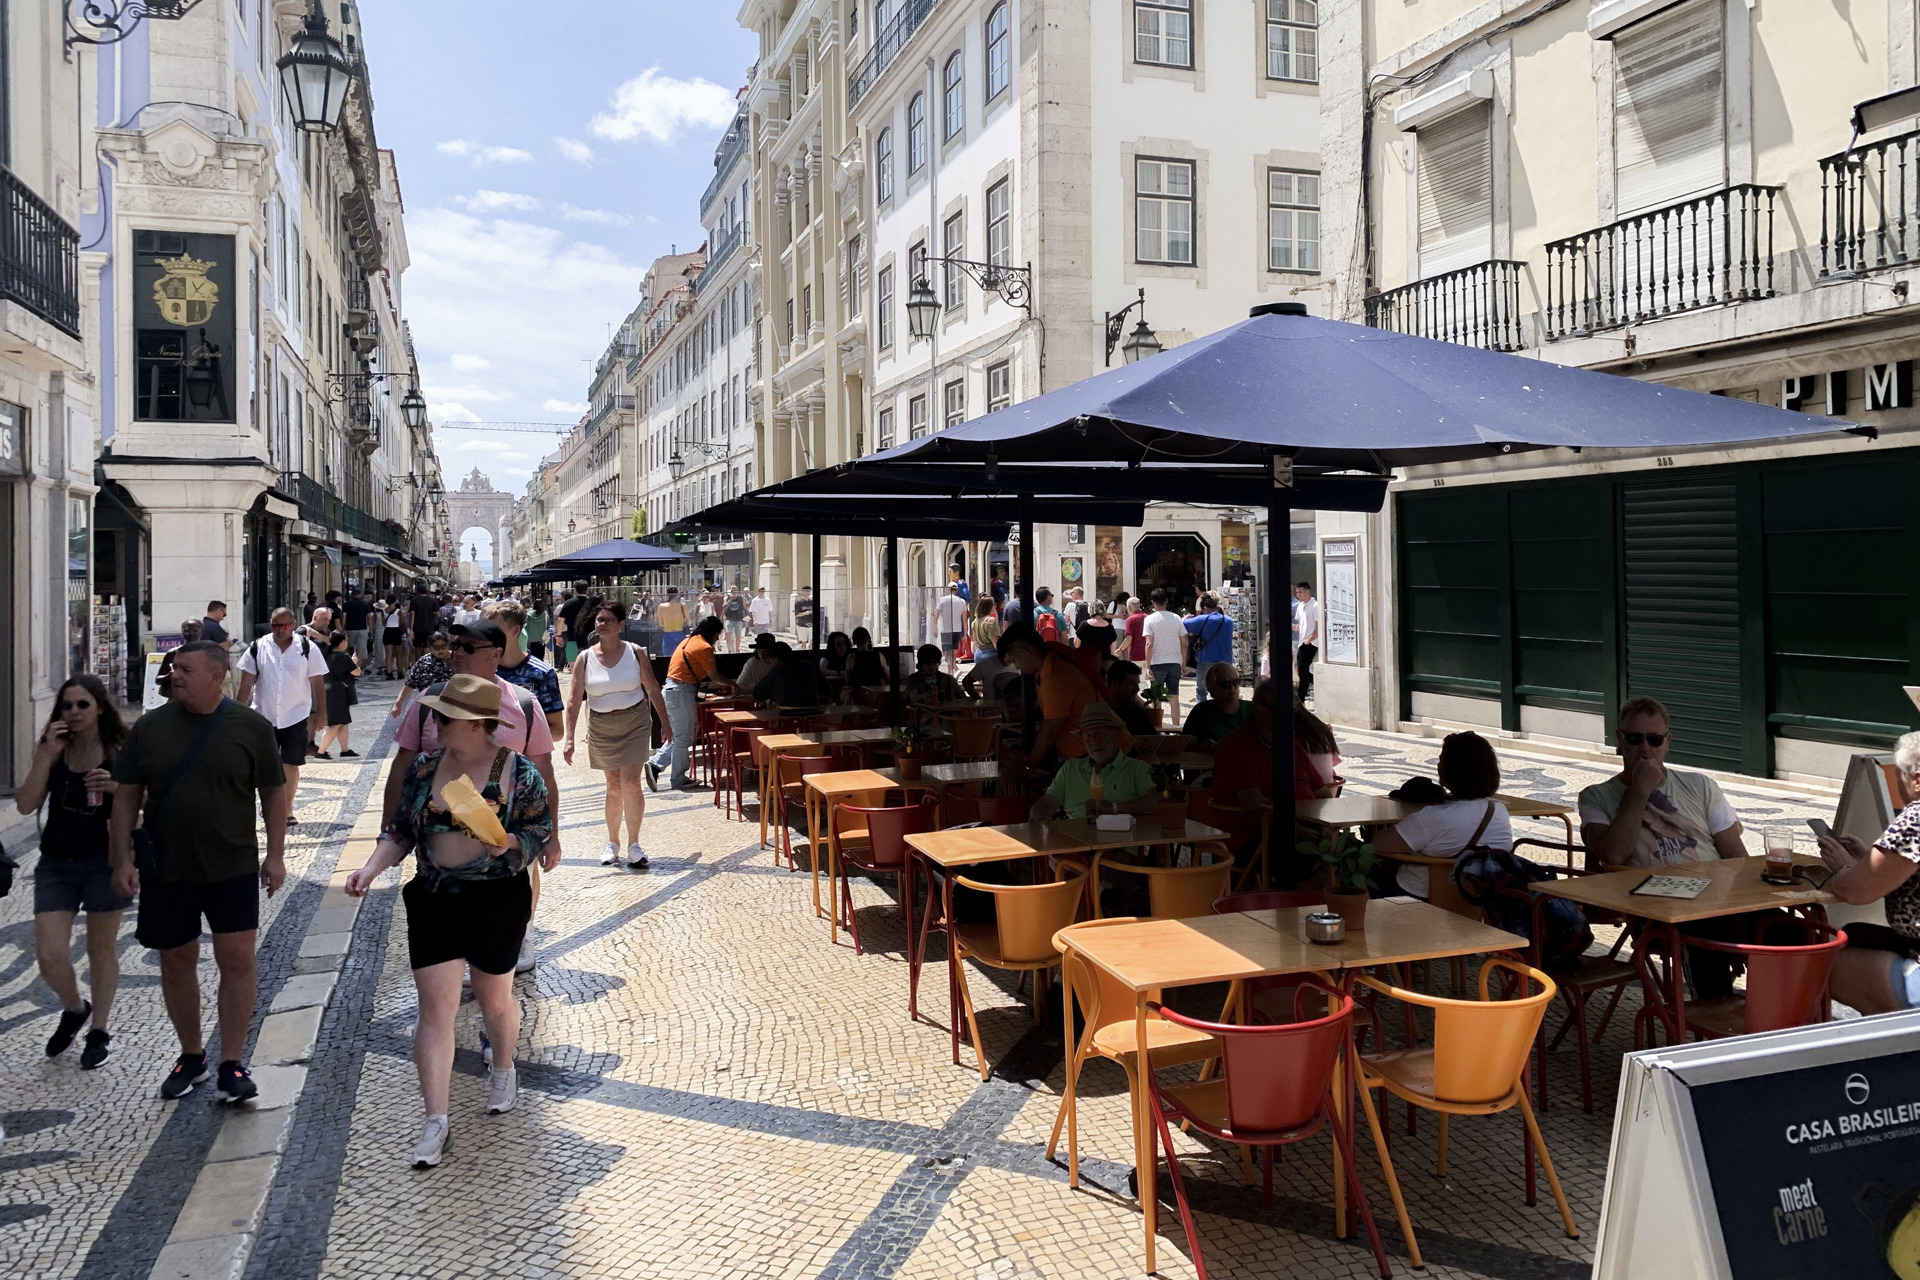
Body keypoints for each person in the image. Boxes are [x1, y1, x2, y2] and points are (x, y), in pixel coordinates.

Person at [344, 676, 558, 1168]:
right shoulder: (424, 767)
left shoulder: (516, 771)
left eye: (446, 717)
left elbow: (538, 827)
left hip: (497, 898)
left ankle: (503, 1067)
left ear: (480, 724)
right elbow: (399, 831)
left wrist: (510, 842)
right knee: (435, 1010)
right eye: (435, 715)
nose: (435, 723)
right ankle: (435, 1121)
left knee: (494, 998)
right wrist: (370, 868)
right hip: (435, 895)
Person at [111, 641, 288, 1102]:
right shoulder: (149, 728)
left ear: (217, 675)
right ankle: (191, 1056)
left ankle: (232, 1062)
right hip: (168, 867)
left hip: (231, 864)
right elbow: (127, 795)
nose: (175, 675)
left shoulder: (249, 727)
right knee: (176, 960)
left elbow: (273, 792)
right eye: (173, 668)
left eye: (185, 669)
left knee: (237, 961)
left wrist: (275, 854)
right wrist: (123, 858)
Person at [383, 619, 561, 976]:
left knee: (520, 877)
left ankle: (520, 933)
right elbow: (402, 769)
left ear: (496, 654)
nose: (456, 654)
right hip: (441, 844)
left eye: (468, 647)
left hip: (504, 844)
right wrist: (389, 833)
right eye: (454, 645)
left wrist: (551, 836)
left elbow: (543, 774)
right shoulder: (429, 700)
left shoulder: (523, 704)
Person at [1578, 695, 1754, 998]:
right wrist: (1639, 791)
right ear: (1620, 740)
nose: (1645, 749)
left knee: (1787, 928)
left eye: (1654, 739)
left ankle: (1789, 1020)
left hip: (1716, 901)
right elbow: (1613, 853)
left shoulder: (1700, 786)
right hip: (1657, 913)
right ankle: (1710, 1025)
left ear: (1667, 742)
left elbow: (1737, 857)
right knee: (1702, 933)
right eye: (1635, 739)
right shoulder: (1596, 797)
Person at [19, 675, 130, 1070]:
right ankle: (74, 1007)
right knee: (50, 955)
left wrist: (115, 786)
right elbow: (25, 804)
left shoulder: (119, 749)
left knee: (100, 948)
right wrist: (45, 757)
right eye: (67, 706)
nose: (74, 713)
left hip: (104, 861)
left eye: (83, 705)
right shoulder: (55, 749)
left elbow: (148, 799)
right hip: (56, 865)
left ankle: (99, 1029)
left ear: (99, 706)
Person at [1817, 732, 1920, 1015]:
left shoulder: (1917, 819)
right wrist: (1868, 858)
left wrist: (1842, 869)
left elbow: (1855, 891)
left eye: (1897, 776)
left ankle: (1888, 1040)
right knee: (1856, 934)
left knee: (1816, 963)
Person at [563, 599, 671, 867]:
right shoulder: (585, 658)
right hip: (600, 725)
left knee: (631, 783)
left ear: (621, 625)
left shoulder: (635, 653)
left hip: (634, 722)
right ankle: (613, 842)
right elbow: (574, 700)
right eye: (600, 620)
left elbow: (653, 688)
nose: (603, 625)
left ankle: (634, 844)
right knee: (613, 786)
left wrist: (665, 724)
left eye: (609, 620)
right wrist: (568, 738)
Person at [1376, 732, 1510, 899]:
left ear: (1451, 771)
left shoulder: (1432, 818)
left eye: (1441, 760)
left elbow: (1377, 845)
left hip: (1417, 896)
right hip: (1476, 900)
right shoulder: (1499, 811)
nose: (1438, 765)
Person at [236, 607, 329, 824]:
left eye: (284, 625)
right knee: (265, 766)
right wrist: (237, 715)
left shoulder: (307, 647)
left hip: (295, 715)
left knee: (291, 763)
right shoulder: (257, 647)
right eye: (275, 625)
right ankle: (269, 807)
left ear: (294, 625)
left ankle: (286, 809)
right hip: (263, 716)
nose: (280, 630)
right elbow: (246, 684)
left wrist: (321, 713)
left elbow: (318, 683)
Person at [1029, 703, 1158, 823]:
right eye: (1088, 736)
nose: (1094, 741)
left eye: (1100, 734)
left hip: (1118, 844)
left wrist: (1113, 808)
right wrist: (1040, 815)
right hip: (1076, 843)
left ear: (1115, 734)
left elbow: (1156, 801)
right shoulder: (1070, 769)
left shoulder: (1135, 769)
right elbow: (1047, 802)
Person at [651, 615, 738, 791]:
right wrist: (733, 684)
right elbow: (713, 675)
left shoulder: (688, 641)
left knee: (679, 736)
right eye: (718, 634)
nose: (718, 638)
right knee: (684, 738)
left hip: (671, 689)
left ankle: (657, 766)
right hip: (682, 691)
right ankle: (672, 775)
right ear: (714, 633)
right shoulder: (704, 647)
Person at [998, 621, 1103, 766]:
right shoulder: (1048, 667)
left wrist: (1028, 764)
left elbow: (1051, 730)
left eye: (1014, 661)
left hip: (1101, 757)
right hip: (1090, 754)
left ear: (1024, 653)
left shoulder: (1054, 675)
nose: (1016, 667)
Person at [486, 601, 565, 740]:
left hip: (527, 759)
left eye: (493, 628)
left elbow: (557, 731)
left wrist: (511, 735)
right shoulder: (482, 669)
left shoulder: (542, 673)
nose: (486, 634)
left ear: (515, 630)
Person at [315, 630, 362, 760]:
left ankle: (345, 750)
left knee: (343, 722)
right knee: (335, 724)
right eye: (346, 640)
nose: (347, 643)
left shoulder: (327, 655)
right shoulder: (343, 657)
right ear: (341, 642)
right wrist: (355, 662)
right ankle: (321, 752)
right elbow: (357, 672)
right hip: (338, 692)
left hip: (331, 690)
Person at [1183, 662, 1251, 750]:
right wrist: (1201, 746)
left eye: (1236, 682)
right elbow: (1185, 745)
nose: (1232, 687)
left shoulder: (1252, 709)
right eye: (1225, 684)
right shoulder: (1201, 711)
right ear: (1212, 688)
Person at [1144, 588, 1188, 720]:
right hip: (1174, 661)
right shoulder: (1176, 618)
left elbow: (1149, 643)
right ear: (1167, 601)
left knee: (1156, 697)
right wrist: (1183, 662)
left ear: (1153, 603)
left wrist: (1147, 665)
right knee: (1174, 696)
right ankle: (1176, 727)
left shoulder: (1150, 620)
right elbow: (1184, 642)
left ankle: (1157, 725)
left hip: (1157, 662)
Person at [1183, 593, 1235, 704]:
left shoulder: (1203, 619)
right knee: (1224, 687)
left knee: (1201, 690)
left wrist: (1185, 617)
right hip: (1225, 658)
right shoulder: (1228, 621)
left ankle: (1203, 712)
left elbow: (1183, 625)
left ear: (1205, 608)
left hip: (1206, 657)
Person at [392, 632, 453, 720]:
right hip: (428, 708)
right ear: (431, 648)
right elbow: (410, 683)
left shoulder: (458, 660)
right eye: (436, 648)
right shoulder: (424, 661)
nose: (440, 651)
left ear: (448, 645)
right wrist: (398, 704)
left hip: (451, 709)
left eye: (443, 647)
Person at [755, 641, 830, 706]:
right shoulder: (809, 665)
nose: (771, 665)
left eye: (771, 662)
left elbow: (757, 693)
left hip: (787, 714)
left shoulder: (777, 671)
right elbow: (828, 690)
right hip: (814, 711)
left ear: (777, 659)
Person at [1105, 661, 1161, 736]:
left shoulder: (1138, 713)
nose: (1137, 689)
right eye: (1131, 684)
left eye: (1137, 684)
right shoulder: (1103, 716)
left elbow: (1154, 738)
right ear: (1115, 685)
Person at [905, 644, 964, 710]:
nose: (932, 667)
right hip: (926, 715)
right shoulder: (913, 680)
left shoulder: (948, 679)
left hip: (948, 713)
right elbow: (913, 696)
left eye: (935, 663)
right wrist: (922, 697)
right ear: (921, 664)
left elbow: (962, 697)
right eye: (928, 664)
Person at [1293, 582, 1321, 702]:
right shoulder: (1300, 606)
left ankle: (1302, 695)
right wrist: (1296, 628)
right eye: (1297, 592)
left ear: (1307, 592)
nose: (1298, 595)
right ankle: (1307, 691)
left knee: (1302, 668)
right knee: (1301, 669)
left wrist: (1310, 639)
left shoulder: (1315, 606)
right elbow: (1301, 624)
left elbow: (1319, 625)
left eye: (1300, 592)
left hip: (1311, 642)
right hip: (1302, 641)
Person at [845, 626, 891, 697]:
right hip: (876, 694)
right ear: (868, 639)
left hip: (859, 694)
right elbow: (888, 676)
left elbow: (848, 680)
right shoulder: (879, 656)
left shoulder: (851, 658)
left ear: (854, 641)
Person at [935, 583, 969, 672]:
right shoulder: (961, 601)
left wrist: (934, 628)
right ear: (956, 590)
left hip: (945, 630)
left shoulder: (942, 600)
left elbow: (936, 616)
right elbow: (964, 620)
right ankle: (952, 668)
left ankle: (950, 668)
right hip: (956, 629)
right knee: (954, 651)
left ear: (948, 589)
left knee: (947, 652)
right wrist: (965, 634)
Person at [343, 589, 376, 668]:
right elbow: (369, 617)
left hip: (350, 629)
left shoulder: (347, 604)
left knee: (350, 649)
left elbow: (344, 616)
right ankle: (358, 669)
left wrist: (342, 628)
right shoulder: (365, 604)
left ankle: (351, 668)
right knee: (359, 651)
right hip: (362, 629)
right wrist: (371, 629)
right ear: (360, 595)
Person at [819, 631, 854, 701]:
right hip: (830, 689)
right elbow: (821, 671)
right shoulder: (827, 656)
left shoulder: (850, 656)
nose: (842, 646)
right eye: (839, 644)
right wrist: (839, 673)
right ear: (833, 646)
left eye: (844, 643)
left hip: (847, 687)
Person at [971, 597, 1002, 662]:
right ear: (989, 607)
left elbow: (975, 641)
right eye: (993, 604)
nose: (995, 606)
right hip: (990, 653)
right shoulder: (990, 621)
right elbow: (995, 641)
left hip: (979, 653)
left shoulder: (975, 621)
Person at [382, 597, 407, 678]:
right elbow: (401, 622)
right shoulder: (398, 611)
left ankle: (389, 673)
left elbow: (384, 623)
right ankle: (400, 672)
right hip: (396, 631)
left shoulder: (384, 610)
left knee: (388, 653)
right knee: (398, 653)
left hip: (387, 631)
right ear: (394, 601)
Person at [523, 598, 551, 663]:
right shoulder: (545, 614)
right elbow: (548, 625)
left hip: (531, 639)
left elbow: (526, 627)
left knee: (533, 657)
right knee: (541, 656)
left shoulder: (529, 614)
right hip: (542, 639)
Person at [1123, 597, 1148, 664]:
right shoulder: (1148, 617)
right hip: (1148, 654)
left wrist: (1120, 649)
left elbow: (1128, 639)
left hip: (1136, 654)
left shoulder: (1131, 619)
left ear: (1129, 607)